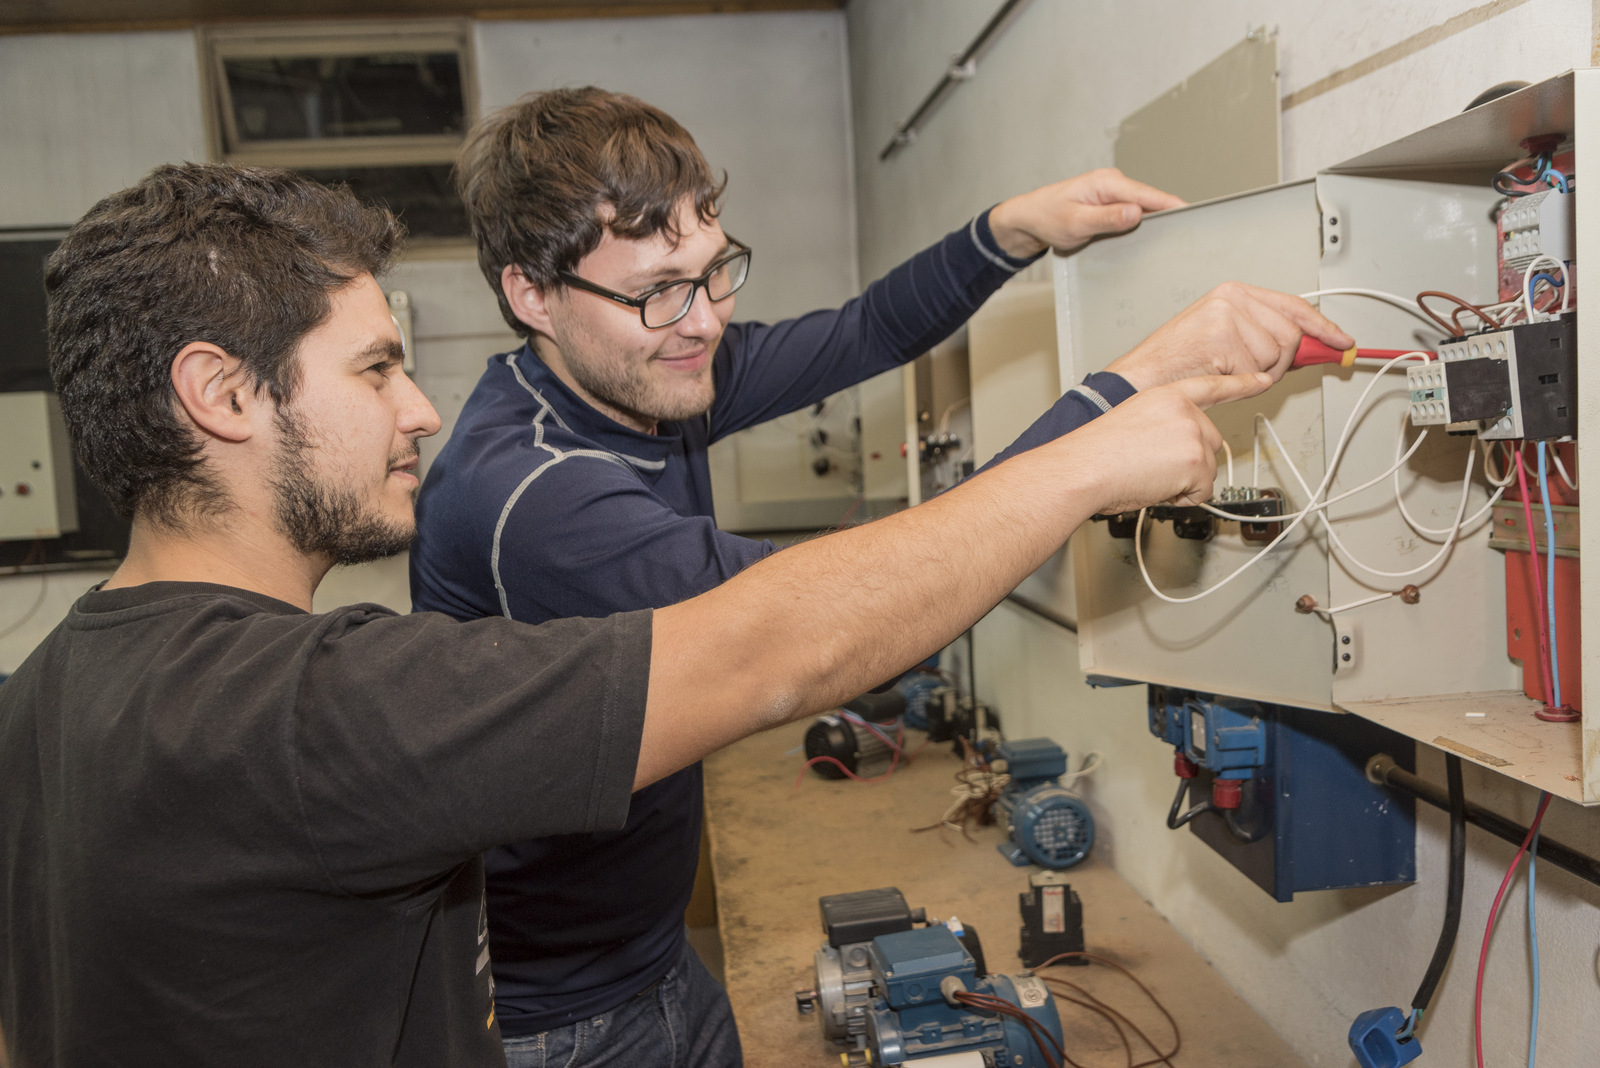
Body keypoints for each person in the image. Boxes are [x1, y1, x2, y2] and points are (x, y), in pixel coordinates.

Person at [1, 162, 1293, 1068]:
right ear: (222, 395)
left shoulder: (48, 689)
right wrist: (1100, 441)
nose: (420, 411)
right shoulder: (320, 702)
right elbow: (779, 643)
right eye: (377, 366)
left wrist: (1010, 227)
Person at [410, 87, 1352, 1067]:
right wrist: (1114, 411)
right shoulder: (533, 499)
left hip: (650, 958)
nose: (705, 322)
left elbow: (865, 331)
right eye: (659, 289)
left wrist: (1009, 230)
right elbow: (832, 629)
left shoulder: (631, 370)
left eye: (714, 270)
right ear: (531, 295)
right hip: (560, 1020)